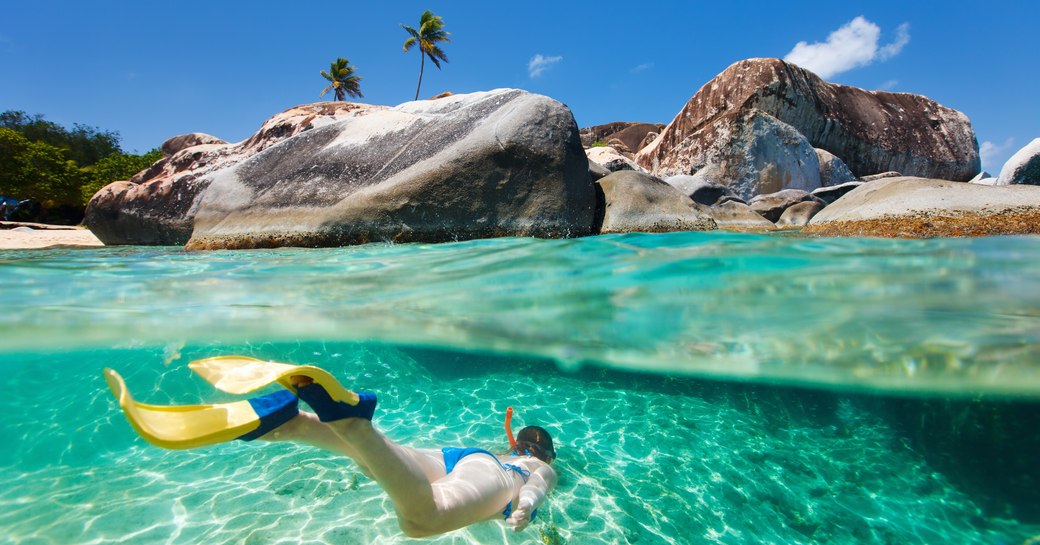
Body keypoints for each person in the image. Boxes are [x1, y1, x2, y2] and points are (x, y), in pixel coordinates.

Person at [105, 360, 558, 538]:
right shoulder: (532, 465)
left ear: (516, 440)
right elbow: (536, 485)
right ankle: (353, 422)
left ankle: (287, 423)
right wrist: (525, 508)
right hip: (491, 473)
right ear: (544, 452)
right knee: (424, 519)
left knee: (377, 456)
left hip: (454, 455)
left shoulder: (504, 451)